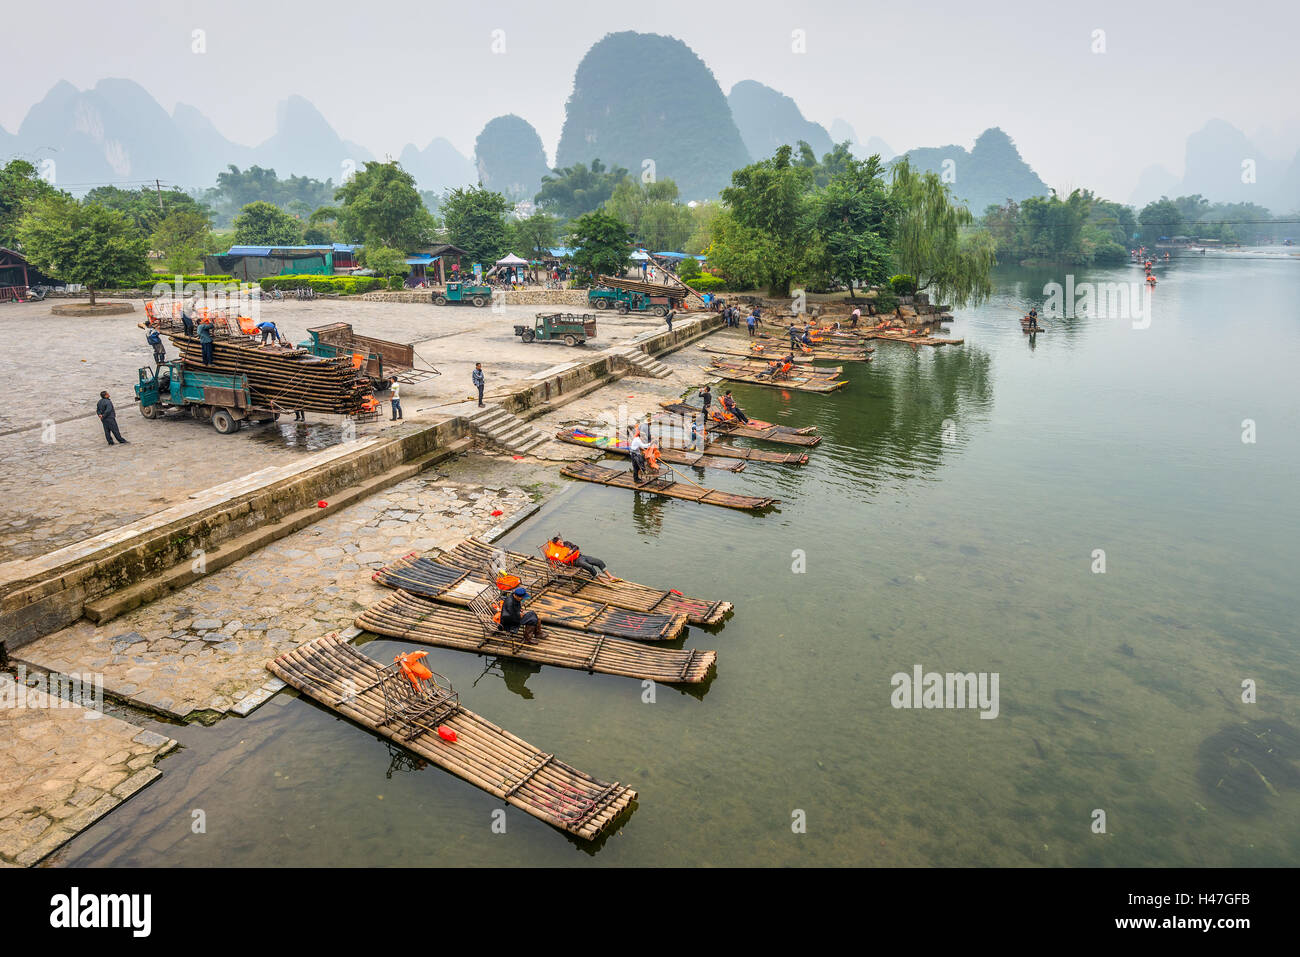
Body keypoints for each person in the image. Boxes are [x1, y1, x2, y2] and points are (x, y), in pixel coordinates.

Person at [549, 535, 616, 581]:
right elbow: (562, 559)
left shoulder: (567, 543)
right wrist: (566, 555)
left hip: (581, 556)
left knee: (599, 561)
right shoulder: (557, 552)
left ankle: (610, 577)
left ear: (561, 540)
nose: (561, 544)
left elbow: (576, 547)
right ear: (556, 545)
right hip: (575, 561)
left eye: (561, 542)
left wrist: (571, 550)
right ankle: (601, 580)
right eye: (559, 544)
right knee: (589, 567)